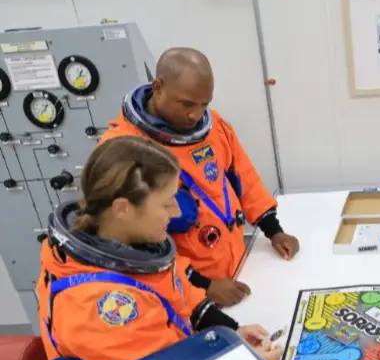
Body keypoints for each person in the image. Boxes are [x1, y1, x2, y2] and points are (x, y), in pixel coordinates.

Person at [36, 136, 283, 360]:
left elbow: (180, 296)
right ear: (122, 209)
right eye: (166, 204)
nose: (177, 212)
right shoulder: (101, 308)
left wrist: (230, 334)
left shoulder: (132, 251)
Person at [100, 47, 299, 308]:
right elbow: (135, 243)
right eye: (187, 104)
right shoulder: (122, 151)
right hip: (183, 291)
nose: (195, 115)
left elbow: (245, 179)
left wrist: (274, 231)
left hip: (237, 270)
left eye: (204, 104)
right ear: (158, 88)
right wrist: (204, 286)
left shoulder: (214, 128)